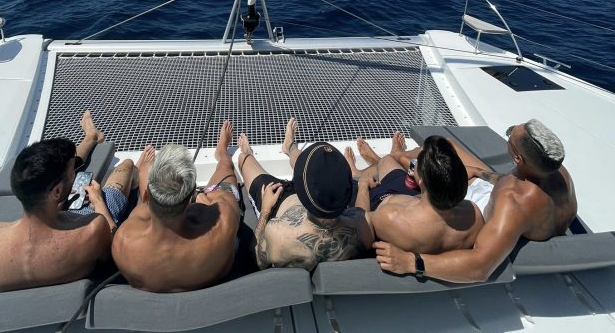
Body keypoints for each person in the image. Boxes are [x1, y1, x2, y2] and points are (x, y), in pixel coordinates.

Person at [375, 119, 577, 282]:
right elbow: (511, 181)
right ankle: (398, 156)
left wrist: (413, 263)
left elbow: (480, 267)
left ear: (518, 159)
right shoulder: (558, 172)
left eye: (509, 135)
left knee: (430, 163)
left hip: (477, 210)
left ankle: (393, 159)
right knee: (448, 144)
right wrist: (479, 173)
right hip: (491, 193)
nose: (508, 134)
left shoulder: (513, 203)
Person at [0, 111, 137, 292]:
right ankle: (97, 145)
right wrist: (98, 202)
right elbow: (118, 252)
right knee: (126, 168)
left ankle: (90, 137)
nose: (74, 173)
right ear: (57, 191)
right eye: (72, 172)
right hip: (81, 222)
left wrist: (57, 204)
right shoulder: (92, 229)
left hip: (49, 210)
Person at [112, 120, 241, 292]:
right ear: (190, 195)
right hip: (211, 269)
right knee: (225, 168)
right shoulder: (224, 220)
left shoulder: (124, 241)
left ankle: (143, 170)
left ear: (148, 194)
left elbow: (145, 206)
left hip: (151, 261)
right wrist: (203, 198)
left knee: (145, 190)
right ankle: (222, 152)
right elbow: (222, 197)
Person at [238, 118, 373, 271]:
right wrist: (362, 186)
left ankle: (253, 152)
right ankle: (289, 147)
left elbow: (255, 260)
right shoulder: (364, 225)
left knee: (244, 159)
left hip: (279, 197)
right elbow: (360, 213)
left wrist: (265, 210)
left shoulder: (277, 234)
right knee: (312, 166)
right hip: (327, 201)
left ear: (299, 183)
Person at [346, 132, 483, 254]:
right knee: (387, 160)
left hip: (379, 201)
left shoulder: (390, 217)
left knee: (373, 171)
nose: (413, 164)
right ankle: (377, 161)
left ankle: (358, 174)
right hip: (417, 200)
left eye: (417, 161)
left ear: (422, 181)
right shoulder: (474, 216)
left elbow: (361, 219)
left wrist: (363, 184)